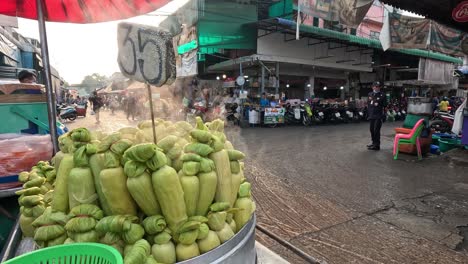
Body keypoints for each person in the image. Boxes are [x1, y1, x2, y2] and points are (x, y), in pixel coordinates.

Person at [367, 82, 386, 151]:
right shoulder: (370, 94)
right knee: (371, 130)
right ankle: (373, 142)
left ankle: (377, 145)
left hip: (378, 115)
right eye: (375, 86)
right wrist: (368, 114)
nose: (377, 88)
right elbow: (369, 104)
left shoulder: (382, 95)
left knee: (376, 130)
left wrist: (379, 104)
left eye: (378, 86)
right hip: (371, 115)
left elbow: (385, 105)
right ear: (373, 87)